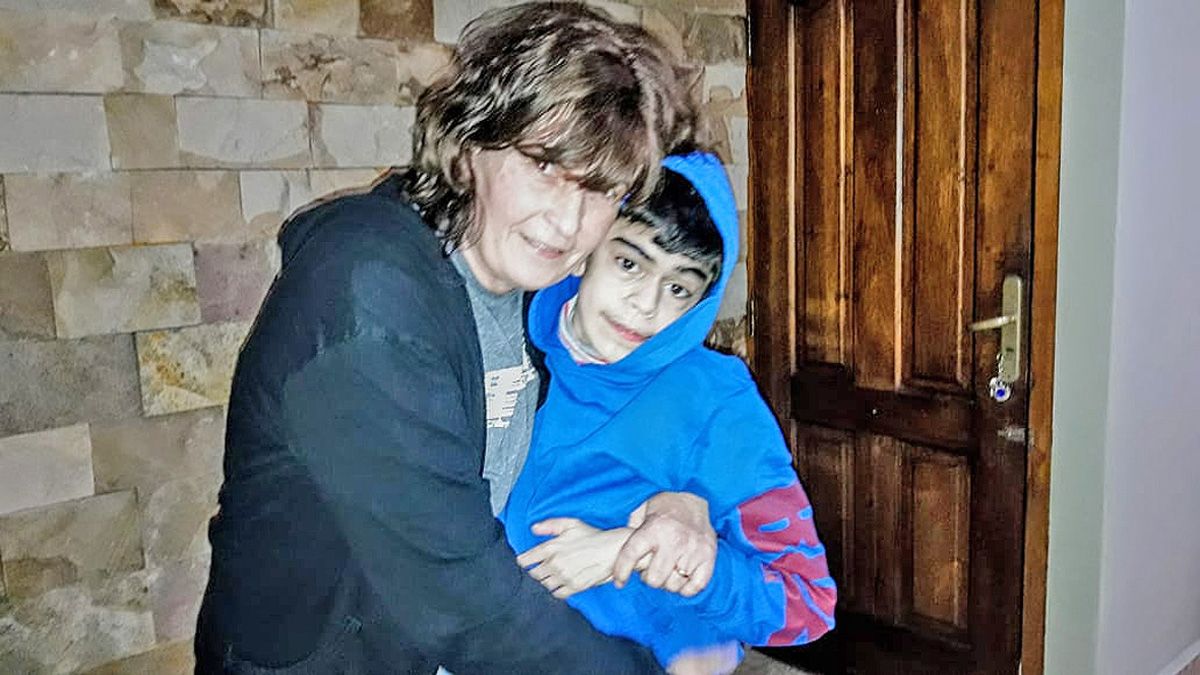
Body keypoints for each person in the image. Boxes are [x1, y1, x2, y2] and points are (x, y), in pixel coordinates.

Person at [194, 4, 716, 673]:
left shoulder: (533, 289)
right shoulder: (366, 296)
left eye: (600, 191)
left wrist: (681, 498)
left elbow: (626, 416)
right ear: (472, 143)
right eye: (545, 166)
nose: (567, 222)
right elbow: (468, 605)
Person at [503, 152, 838, 672]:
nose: (646, 303)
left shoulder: (715, 402)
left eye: (679, 287)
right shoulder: (506, 338)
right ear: (588, 249)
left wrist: (654, 555)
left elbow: (806, 603)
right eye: (630, 263)